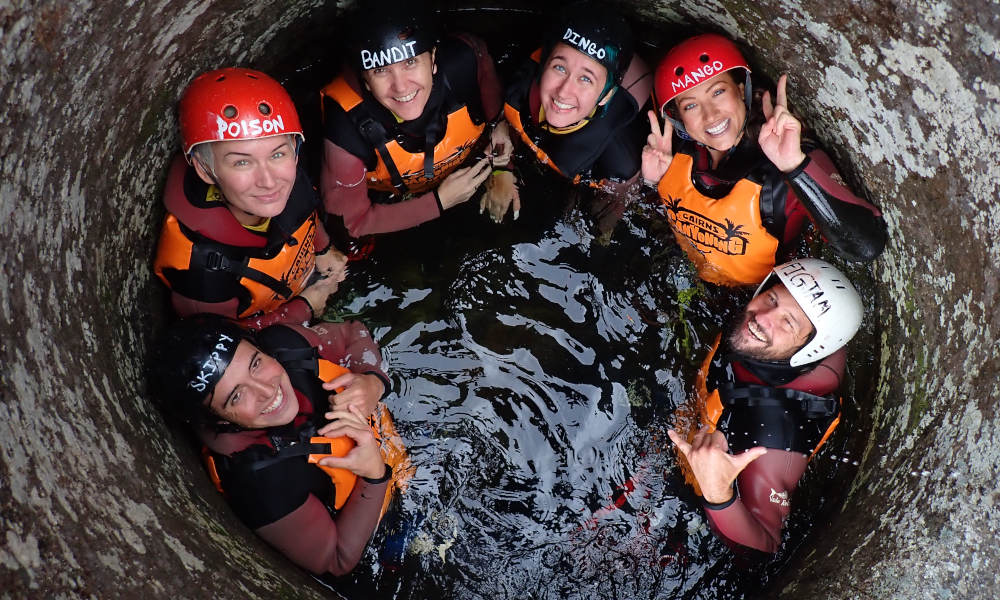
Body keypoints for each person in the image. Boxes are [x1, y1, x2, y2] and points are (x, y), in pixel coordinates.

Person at [152, 315, 407, 576]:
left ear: (260, 347)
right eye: (237, 395)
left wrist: (373, 381)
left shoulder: (284, 343)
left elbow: (352, 332)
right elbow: (336, 560)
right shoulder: (261, 479)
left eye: (256, 364)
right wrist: (374, 476)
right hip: (385, 525)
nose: (267, 390)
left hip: (400, 449)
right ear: (216, 420)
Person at [642, 34, 887, 286]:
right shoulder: (676, 152)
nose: (711, 114)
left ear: (740, 91)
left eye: (717, 92)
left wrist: (794, 167)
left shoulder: (788, 163)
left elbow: (865, 247)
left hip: (756, 296)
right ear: (679, 118)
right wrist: (655, 183)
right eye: (690, 106)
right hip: (685, 277)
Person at [666, 258, 863, 553]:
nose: (764, 317)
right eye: (771, 298)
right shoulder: (771, 334)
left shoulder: (772, 441)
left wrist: (718, 492)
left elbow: (764, 551)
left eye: (788, 322)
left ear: (809, 350)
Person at [154, 68, 347, 330]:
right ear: (204, 169)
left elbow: (303, 211)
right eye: (242, 162)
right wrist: (304, 308)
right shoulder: (201, 272)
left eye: (277, 154)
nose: (268, 180)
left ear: (294, 149)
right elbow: (224, 341)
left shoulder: (286, 175)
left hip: (307, 281)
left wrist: (323, 249)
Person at [319, 1, 504, 239]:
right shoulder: (347, 126)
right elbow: (350, 223)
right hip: (391, 202)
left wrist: (503, 171)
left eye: (410, 62)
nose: (401, 86)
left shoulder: (465, 65)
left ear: (434, 59)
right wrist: (438, 202)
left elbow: (501, 122)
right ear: (364, 79)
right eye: (380, 71)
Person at [482, 1, 653, 222]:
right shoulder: (522, 82)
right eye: (559, 67)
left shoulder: (618, 158)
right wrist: (502, 169)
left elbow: (608, 217)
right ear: (544, 66)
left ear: (607, 96)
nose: (564, 92)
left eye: (585, 79)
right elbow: (508, 122)